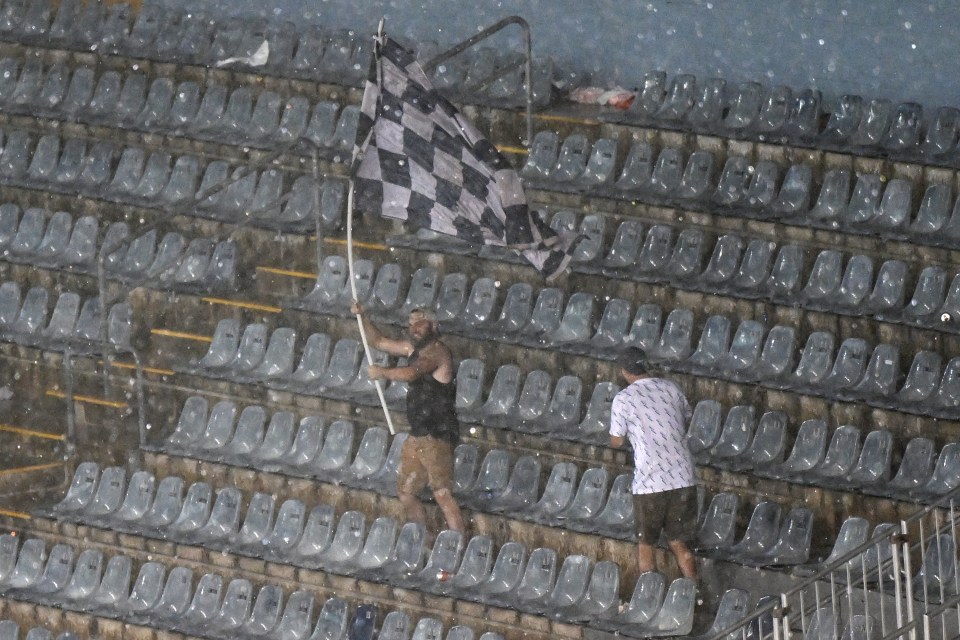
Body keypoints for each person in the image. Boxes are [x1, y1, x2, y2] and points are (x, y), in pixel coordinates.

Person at [350, 302, 466, 536]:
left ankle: (458, 545)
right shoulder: (412, 350)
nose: (413, 327)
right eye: (410, 323)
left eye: (419, 322)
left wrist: (383, 373)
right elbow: (379, 342)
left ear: (433, 325)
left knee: (442, 493)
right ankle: (422, 538)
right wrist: (363, 316)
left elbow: (412, 372)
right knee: (406, 492)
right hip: (418, 434)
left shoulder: (438, 352)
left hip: (438, 435)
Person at [609, 346, 698, 580]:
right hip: (682, 477)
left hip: (650, 482)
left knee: (646, 543)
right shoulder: (671, 388)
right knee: (678, 543)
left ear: (624, 371)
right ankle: (693, 594)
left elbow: (616, 441)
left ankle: (649, 597)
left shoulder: (623, 399)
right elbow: (685, 418)